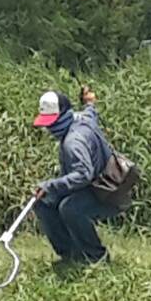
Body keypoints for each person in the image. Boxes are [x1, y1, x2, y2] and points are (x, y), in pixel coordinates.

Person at [30, 86, 121, 266]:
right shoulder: (82, 118)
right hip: (98, 185)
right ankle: (71, 255)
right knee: (43, 203)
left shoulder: (73, 142)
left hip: (110, 190)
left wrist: (50, 185)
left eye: (51, 121)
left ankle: (96, 257)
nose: (49, 127)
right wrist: (88, 101)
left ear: (62, 114)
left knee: (70, 208)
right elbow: (91, 111)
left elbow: (83, 175)